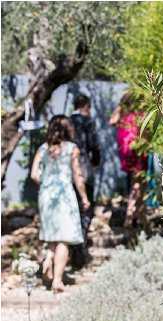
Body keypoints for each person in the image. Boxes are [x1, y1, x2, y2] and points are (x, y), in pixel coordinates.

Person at [31, 115, 90, 293]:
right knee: (64, 238)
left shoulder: (43, 149)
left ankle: (48, 258)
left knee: (52, 235)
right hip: (65, 194)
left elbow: (34, 174)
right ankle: (57, 281)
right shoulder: (72, 149)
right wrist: (85, 198)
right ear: (68, 129)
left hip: (46, 194)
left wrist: (47, 182)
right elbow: (77, 176)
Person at [70, 94, 100, 268]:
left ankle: (75, 247)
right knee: (87, 207)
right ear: (86, 106)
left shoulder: (66, 121)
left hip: (67, 171)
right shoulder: (87, 122)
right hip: (83, 168)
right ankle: (80, 245)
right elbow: (94, 145)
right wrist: (95, 162)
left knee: (73, 208)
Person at [109, 92, 147, 227]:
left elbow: (112, 121)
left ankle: (140, 218)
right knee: (138, 183)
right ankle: (130, 218)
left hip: (125, 151)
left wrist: (121, 105)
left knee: (137, 183)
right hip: (137, 150)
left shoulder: (124, 115)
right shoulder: (140, 115)